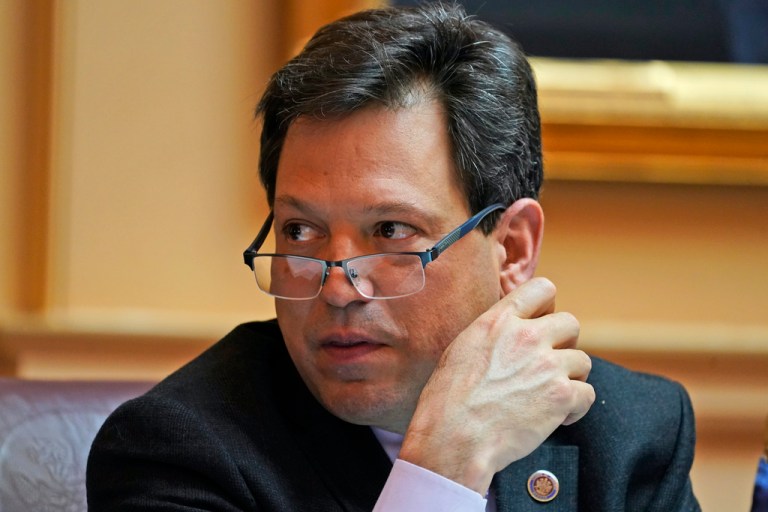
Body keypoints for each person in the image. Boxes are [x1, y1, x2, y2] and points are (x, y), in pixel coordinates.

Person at [86, 3, 700, 511]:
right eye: (301, 232)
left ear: (511, 248)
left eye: (390, 230)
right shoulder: (181, 453)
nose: (337, 288)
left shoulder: (624, 433)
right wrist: (444, 466)